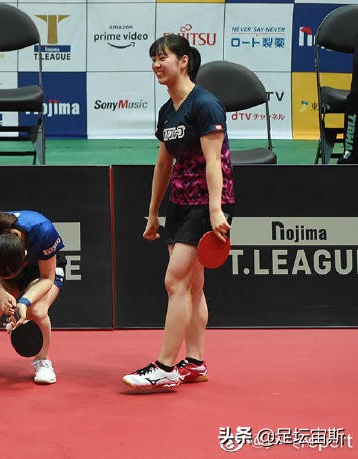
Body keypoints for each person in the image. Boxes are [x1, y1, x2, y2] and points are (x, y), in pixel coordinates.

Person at [121, 34, 234, 392]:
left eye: (162, 57)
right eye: (153, 58)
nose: (156, 64)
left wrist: (216, 210)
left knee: (175, 282)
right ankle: (195, 363)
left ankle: (165, 367)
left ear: (183, 61)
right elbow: (162, 164)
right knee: (193, 286)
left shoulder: (206, 105)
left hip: (206, 203)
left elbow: (214, 162)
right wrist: (153, 212)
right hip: (180, 202)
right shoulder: (168, 111)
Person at [0, 210, 66, 384]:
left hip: (39, 274)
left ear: (25, 255)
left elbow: (47, 278)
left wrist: (24, 302)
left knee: (37, 311)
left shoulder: (43, 230)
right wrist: (3, 295)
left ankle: (43, 361)